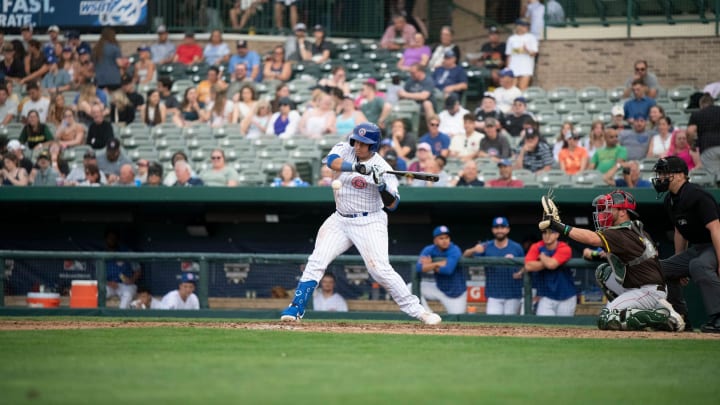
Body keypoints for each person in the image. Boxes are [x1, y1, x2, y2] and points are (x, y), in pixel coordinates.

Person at [279, 123, 441, 325]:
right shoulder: (344, 148)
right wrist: (356, 167)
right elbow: (331, 162)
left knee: (379, 270)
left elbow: (393, 205)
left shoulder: (383, 168)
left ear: (373, 146)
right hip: (340, 218)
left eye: (364, 144)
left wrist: (381, 185)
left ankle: (419, 312)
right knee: (316, 260)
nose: (358, 146)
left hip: (370, 220)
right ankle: (296, 307)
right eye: (356, 140)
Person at [539, 189, 685, 331]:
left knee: (606, 318)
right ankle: (629, 309)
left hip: (647, 290)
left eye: (609, 209)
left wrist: (557, 226)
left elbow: (591, 238)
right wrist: (595, 255)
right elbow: (606, 254)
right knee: (603, 272)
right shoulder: (635, 230)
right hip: (639, 285)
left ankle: (663, 317)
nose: (603, 213)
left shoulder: (621, 233)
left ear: (623, 212)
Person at [653, 156, 720, 333]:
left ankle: (718, 318)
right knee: (661, 268)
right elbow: (679, 231)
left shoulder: (697, 195)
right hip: (698, 247)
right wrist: (678, 263)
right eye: (659, 173)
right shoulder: (670, 199)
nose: (660, 177)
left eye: (664, 173)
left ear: (680, 175)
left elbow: (715, 228)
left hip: (715, 243)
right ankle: (680, 316)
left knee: (699, 265)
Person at [464, 217, 525, 315]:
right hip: (494, 294)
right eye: (497, 227)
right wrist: (474, 250)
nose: (499, 230)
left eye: (502, 227)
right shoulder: (486, 246)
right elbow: (465, 255)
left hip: (513, 293)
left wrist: (521, 272)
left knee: (511, 325)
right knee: (492, 324)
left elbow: (526, 264)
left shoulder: (516, 247)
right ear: (493, 230)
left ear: (507, 229)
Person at [413, 226, 466, 315]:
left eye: (447, 237)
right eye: (441, 238)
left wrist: (429, 265)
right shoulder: (429, 249)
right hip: (438, 288)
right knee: (411, 287)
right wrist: (436, 264)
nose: (445, 240)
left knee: (457, 321)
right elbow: (418, 268)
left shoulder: (455, 250)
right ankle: (427, 314)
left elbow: (448, 270)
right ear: (435, 240)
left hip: (455, 294)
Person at [524, 227, 575, 316]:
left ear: (557, 234)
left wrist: (542, 257)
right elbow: (528, 266)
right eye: (544, 233)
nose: (547, 236)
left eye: (551, 233)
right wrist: (548, 262)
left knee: (565, 327)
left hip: (566, 295)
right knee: (543, 326)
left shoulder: (564, 247)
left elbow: (552, 265)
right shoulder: (537, 246)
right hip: (546, 296)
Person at [104, 230, 141, 309]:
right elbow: (97, 276)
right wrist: (107, 282)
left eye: (114, 238)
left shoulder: (127, 253)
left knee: (127, 294)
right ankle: (96, 318)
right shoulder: (102, 255)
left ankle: (119, 317)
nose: (112, 240)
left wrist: (131, 280)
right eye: (110, 238)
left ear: (117, 240)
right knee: (99, 293)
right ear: (106, 240)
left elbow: (138, 270)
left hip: (125, 285)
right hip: (109, 285)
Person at [687, 93, 720, 174]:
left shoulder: (697, 114)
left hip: (708, 147)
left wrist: (691, 144)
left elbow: (690, 131)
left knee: (713, 176)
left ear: (701, 105)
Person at [505, 19, 538, 91]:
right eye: (523, 26)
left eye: (526, 26)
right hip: (513, 67)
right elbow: (509, 55)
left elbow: (534, 53)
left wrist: (527, 50)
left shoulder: (531, 37)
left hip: (526, 67)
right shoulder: (511, 39)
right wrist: (507, 68)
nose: (525, 28)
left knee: (522, 89)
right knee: (512, 89)